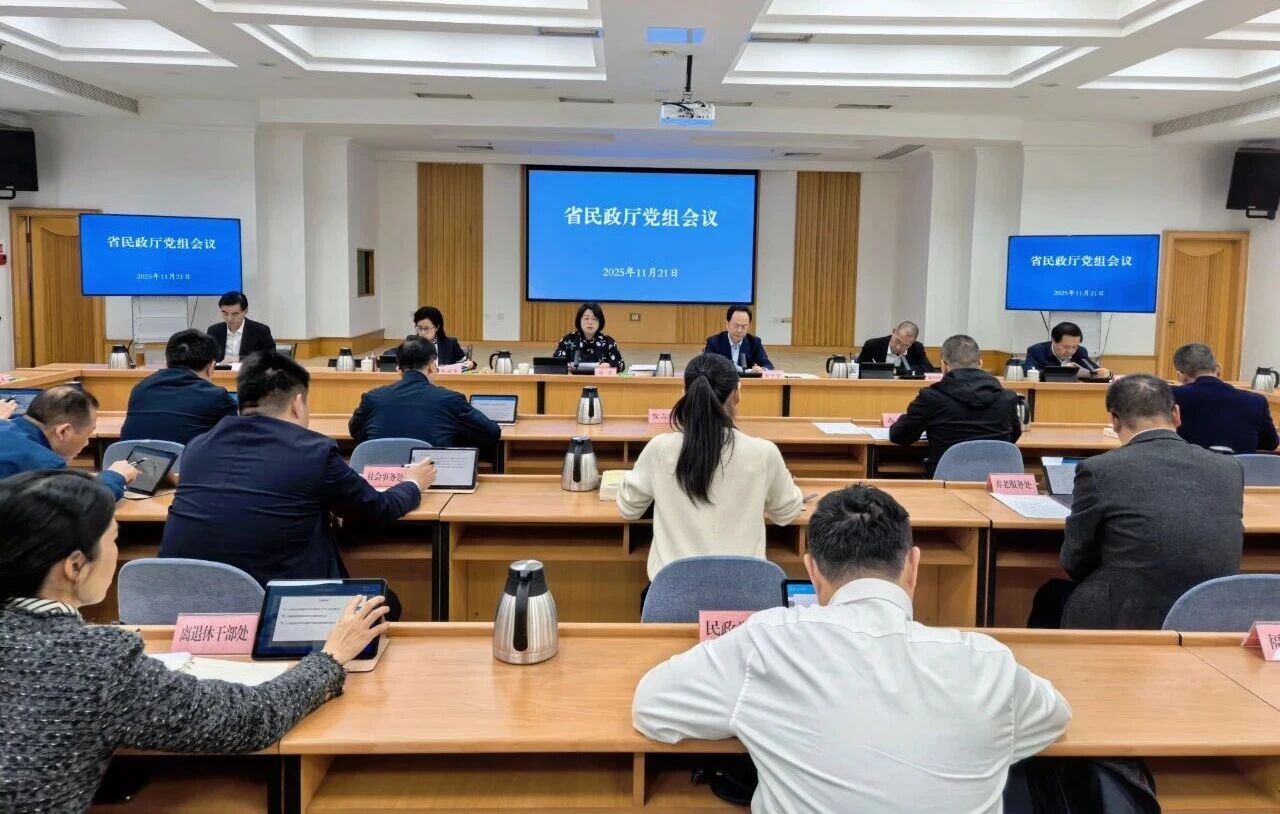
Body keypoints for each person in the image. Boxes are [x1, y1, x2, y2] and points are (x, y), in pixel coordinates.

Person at [633, 484, 1071, 812]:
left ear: (812, 572)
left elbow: (651, 707)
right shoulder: (988, 663)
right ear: (913, 565)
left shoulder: (767, 643)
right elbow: (1053, 718)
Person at [0, 469, 390, 812]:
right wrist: (330, 658)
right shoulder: (96, 662)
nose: (116, 554)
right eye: (115, 538)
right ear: (74, 565)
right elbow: (253, 719)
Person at [158, 350, 437, 587]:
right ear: (297, 404)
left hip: (185, 599)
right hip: (278, 606)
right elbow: (377, 508)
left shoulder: (197, 447)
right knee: (388, 603)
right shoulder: (313, 452)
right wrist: (412, 483)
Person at [1031, 374, 1243, 630]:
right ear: (1176, 414)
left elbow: (1074, 561)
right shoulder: (1229, 467)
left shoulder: (1100, 469)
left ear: (1115, 420)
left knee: (1051, 595)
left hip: (1128, 615)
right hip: (1213, 613)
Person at [617, 353, 803, 580]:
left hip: (673, 590)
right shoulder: (763, 453)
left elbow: (629, 508)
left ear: (684, 393)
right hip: (744, 590)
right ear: (737, 394)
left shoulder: (660, 449)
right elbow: (786, 513)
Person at [890, 334, 1022, 475]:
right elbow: (1012, 437)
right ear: (980, 363)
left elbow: (900, 436)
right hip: (995, 479)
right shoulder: (1007, 398)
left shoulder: (931, 397)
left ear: (943, 366)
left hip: (947, 479)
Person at [349, 337, 501, 448]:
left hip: (381, 477)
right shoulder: (450, 399)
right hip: (432, 476)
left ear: (398, 370)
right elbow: (492, 432)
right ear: (432, 367)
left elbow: (355, 432)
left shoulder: (372, 398)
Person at [0, 385, 136, 500]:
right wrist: (115, 477)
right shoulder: (44, 462)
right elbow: (81, 503)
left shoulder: (3, 425)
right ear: (63, 431)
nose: (86, 443)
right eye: (88, 433)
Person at [120, 329, 238, 445]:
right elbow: (235, 440)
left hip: (136, 458)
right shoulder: (216, 397)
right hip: (188, 458)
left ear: (167, 361)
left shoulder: (139, 390)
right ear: (211, 367)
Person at [1172, 343, 1278, 454]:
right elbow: (1270, 444)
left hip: (1187, 464)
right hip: (1240, 465)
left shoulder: (1171, 396)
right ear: (1218, 368)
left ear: (1180, 375)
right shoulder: (1256, 401)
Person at [1022, 321, 1111, 379]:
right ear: (1053, 340)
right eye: (1066, 347)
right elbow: (1028, 373)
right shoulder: (1037, 351)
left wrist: (1107, 374)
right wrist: (1062, 371)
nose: (1070, 351)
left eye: (1074, 347)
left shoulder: (1080, 351)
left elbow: (1095, 371)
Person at [552, 302, 625, 370]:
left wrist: (609, 365)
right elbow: (554, 363)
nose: (590, 322)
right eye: (586, 318)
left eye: (594, 319)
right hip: (574, 378)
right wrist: (564, 365)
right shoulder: (568, 339)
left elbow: (620, 364)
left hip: (599, 379)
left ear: (600, 322)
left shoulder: (608, 341)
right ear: (579, 320)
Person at [207, 291, 276, 363]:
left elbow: (271, 356)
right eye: (225, 313)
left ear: (245, 311)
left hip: (248, 370)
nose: (229, 318)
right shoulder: (213, 330)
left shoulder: (260, 330)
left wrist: (239, 359)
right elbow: (206, 357)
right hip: (220, 370)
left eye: (235, 314)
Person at [703, 305, 772, 372]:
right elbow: (705, 366)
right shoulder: (714, 342)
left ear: (748, 327)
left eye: (743, 327)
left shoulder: (754, 342)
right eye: (736, 326)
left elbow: (768, 365)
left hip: (746, 380)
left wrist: (762, 369)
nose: (739, 330)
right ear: (727, 325)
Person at [857, 320, 935, 373]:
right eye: (897, 341)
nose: (898, 347)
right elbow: (858, 368)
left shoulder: (917, 348)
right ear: (894, 332)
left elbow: (929, 370)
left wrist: (898, 370)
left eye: (905, 345)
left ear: (912, 343)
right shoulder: (873, 345)